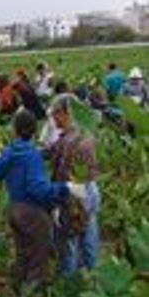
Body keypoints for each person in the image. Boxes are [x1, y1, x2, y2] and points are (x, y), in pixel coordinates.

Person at [0, 109, 85, 297]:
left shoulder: (11, 151)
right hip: (31, 212)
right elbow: (38, 189)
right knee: (38, 258)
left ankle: (18, 292)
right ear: (34, 131)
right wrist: (66, 188)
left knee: (22, 252)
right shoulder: (31, 154)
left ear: (15, 130)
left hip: (14, 208)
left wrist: (1, 156)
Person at [47, 95, 101, 275]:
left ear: (65, 113)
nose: (53, 119)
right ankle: (91, 277)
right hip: (91, 188)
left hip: (74, 191)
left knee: (67, 238)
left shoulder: (67, 142)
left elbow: (61, 174)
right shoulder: (85, 133)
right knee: (89, 234)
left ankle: (70, 284)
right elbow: (50, 150)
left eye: (55, 114)